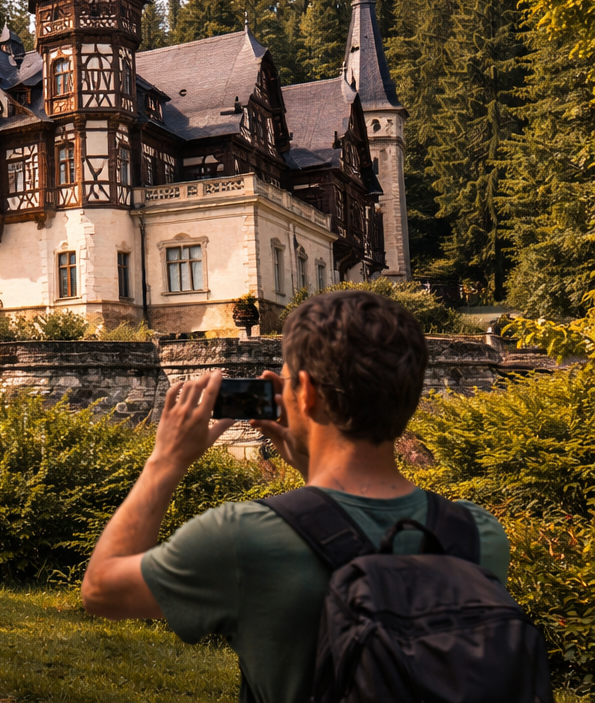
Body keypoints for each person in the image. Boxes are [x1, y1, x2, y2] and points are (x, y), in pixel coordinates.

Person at [81, 290, 512, 703]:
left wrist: (165, 461)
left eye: (285, 380)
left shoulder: (242, 538)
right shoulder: (477, 534)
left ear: (305, 393)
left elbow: (102, 590)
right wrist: (312, 468)